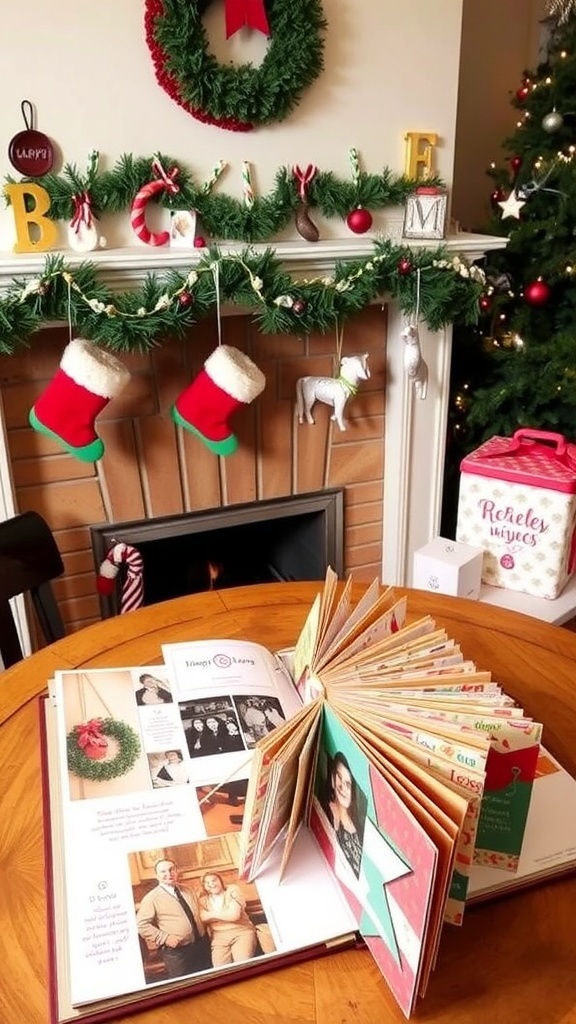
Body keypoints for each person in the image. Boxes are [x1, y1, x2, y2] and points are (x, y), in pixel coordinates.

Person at [136, 859, 211, 979]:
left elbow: (198, 913)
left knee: (207, 980)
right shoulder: (151, 898)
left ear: (176, 871)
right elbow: (141, 925)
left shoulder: (188, 890)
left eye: (171, 870)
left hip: (201, 946)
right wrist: (164, 938)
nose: (169, 874)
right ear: (157, 876)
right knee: (185, 985)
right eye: (163, 871)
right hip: (178, 952)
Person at [198, 871, 258, 967]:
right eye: (207, 883)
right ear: (204, 886)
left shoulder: (232, 890)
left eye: (214, 880)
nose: (211, 884)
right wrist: (225, 914)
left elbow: (234, 916)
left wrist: (211, 915)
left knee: (242, 965)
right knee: (220, 969)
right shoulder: (203, 900)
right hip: (219, 937)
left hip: (241, 931)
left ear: (220, 881)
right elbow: (203, 918)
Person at [324, 751, 364, 878]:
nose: (342, 787)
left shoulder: (359, 825)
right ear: (332, 779)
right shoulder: (329, 812)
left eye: (348, 784)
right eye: (339, 777)